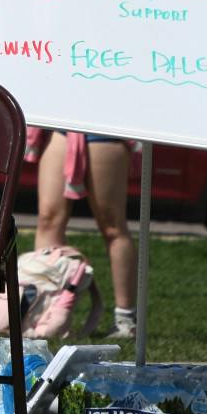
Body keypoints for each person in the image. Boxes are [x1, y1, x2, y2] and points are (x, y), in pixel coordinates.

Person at [32, 129, 135, 339]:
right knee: (48, 219)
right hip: (62, 128)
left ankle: (126, 320)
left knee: (112, 227)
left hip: (106, 130)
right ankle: (46, 314)